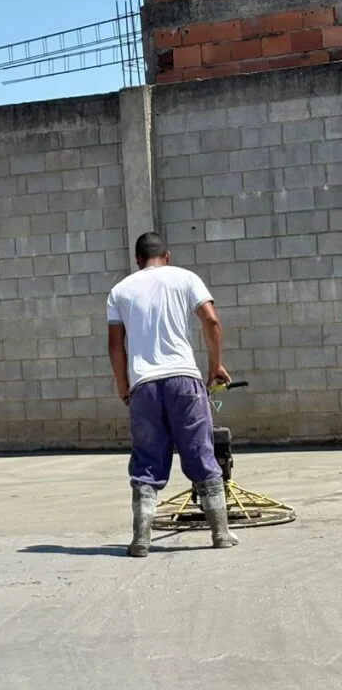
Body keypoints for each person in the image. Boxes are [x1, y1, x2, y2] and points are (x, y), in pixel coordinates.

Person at [106, 232, 238, 557]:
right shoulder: (186, 278)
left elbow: (114, 344)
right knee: (200, 452)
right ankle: (220, 533)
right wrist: (216, 366)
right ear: (168, 255)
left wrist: (123, 384)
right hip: (184, 380)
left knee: (148, 460)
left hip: (144, 386)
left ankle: (141, 538)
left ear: (137, 260)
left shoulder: (120, 290)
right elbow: (211, 320)